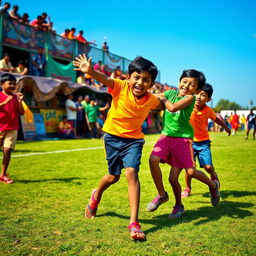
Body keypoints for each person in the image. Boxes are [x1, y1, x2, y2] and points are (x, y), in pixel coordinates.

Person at [73, 54, 162, 241]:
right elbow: (105, 79)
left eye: (146, 80)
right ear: (129, 77)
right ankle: (96, 194)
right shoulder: (120, 87)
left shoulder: (151, 99)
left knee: (131, 172)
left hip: (134, 141)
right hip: (112, 137)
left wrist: (183, 97)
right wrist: (89, 71)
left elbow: (168, 103)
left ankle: (134, 222)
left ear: (152, 83)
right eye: (136, 77)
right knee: (113, 177)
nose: (140, 83)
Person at [146, 70, 220, 219]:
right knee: (153, 160)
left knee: (186, 174)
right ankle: (163, 195)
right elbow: (154, 98)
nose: (186, 85)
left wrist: (162, 100)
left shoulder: (190, 98)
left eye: (192, 84)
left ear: (197, 91)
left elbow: (172, 108)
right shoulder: (170, 93)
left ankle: (212, 186)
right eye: (184, 81)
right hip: (166, 137)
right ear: (179, 81)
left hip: (183, 140)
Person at [181, 83, 231, 198]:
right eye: (197, 93)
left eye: (202, 95)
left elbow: (216, 119)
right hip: (189, 142)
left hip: (203, 142)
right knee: (189, 168)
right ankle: (188, 188)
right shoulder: (188, 105)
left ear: (208, 99)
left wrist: (226, 127)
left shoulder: (208, 110)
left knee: (208, 167)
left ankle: (214, 177)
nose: (198, 97)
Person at [0, 73, 24, 184]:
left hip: (13, 127)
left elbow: (21, 112)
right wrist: (6, 101)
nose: (12, 86)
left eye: (14, 84)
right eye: (10, 83)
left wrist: (19, 101)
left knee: (7, 150)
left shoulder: (16, 97)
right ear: (2, 84)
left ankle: (3, 175)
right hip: (1, 127)